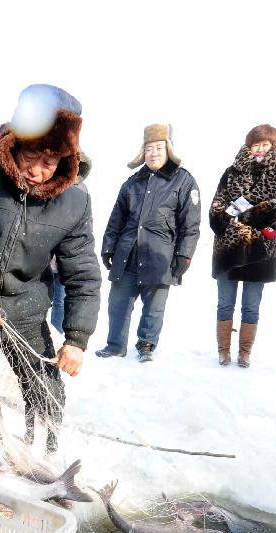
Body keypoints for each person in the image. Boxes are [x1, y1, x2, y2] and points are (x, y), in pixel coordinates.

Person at [0, 84, 101, 458]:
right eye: (31, 156)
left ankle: (41, 458)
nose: (36, 172)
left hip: (26, 306)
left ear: (65, 161)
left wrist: (77, 339)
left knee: (45, 387)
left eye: (49, 164)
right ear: (14, 143)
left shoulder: (75, 202)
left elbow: (82, 272)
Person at [97, 124, 201, 362]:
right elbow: (116, 219)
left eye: (159, 147)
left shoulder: (184, 181)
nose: (153, 153)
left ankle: (146, 345)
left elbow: (191, 225)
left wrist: (184, 255)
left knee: (154, 308)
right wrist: (108, 246)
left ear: (169, 149)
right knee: (118, 303)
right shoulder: (132, 182)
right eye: (149, 148)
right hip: (128, 253)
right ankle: (115, 346)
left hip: (160, 256)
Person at [209, 124, 276, 367]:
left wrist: (245, 216)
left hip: (261, 245)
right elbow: (217, 202)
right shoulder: (231, 171)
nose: (260, 149)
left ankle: (244, 352)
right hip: (228, 244)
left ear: (273, 146)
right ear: (248, 146)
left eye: (265, 144)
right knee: (225, 302)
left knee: (251, 305)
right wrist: (223, 220)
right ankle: (223, 350)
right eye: (256, 144)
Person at [50, 153, 92, 333]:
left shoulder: (82, 190)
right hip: (42, 256)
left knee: (60, 300)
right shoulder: (48, 182)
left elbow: (87, 223)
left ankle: (56, 335)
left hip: (63, 258)